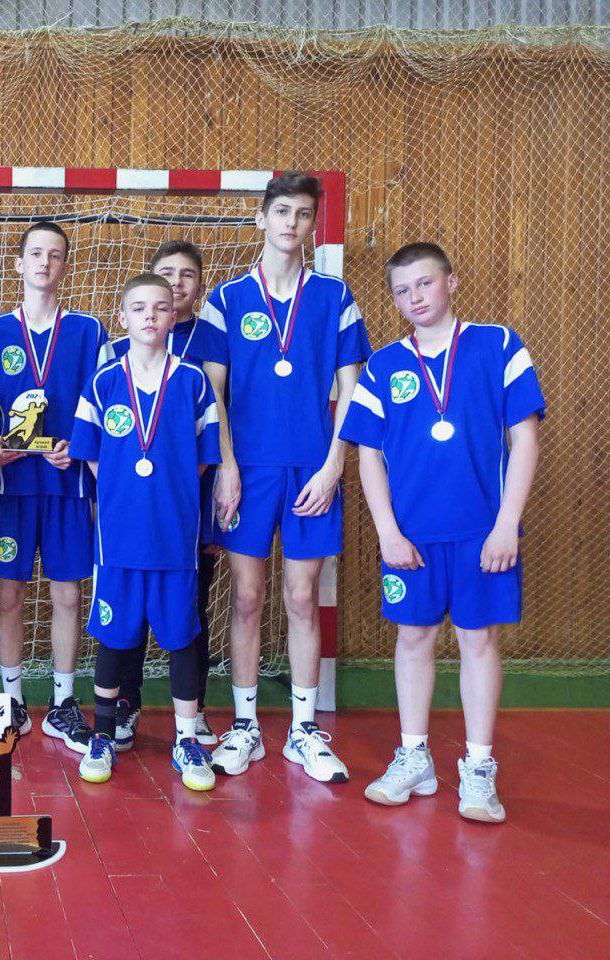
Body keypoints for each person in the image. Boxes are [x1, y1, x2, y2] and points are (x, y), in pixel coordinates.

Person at [341, 242, 543, 823]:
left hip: (483, 533)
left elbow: (525, 438)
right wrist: (387, 531)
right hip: (412, 537)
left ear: (451, 282)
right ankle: (414, 757)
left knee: (478, 641)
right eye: (402, 291)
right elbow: (368, 455)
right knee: (413, 638)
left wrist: (506, 525)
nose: (415, 298)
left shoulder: (497, 345)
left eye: (425, 284)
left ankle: (478, 768)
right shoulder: (383, 366)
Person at [192, 172, 371, 784]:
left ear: (312, 224)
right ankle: (245, 726)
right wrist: (227, 466)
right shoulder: (226, 298)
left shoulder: (334, 296)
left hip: (311, 468)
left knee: (301, 597)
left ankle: (302, 730)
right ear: (262, 218)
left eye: (303, 214)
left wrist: (334, 464)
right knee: (246, 597)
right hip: (249, 470)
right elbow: (213, 392)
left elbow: (351, 388)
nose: (292, 223)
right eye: (282, 212)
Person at [70, 274, 221, 791]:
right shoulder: (103, 382)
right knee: (114, 638)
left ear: (174, 317)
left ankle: (186, 740)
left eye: (160, 307)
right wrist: (122, 492)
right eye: (139, 308)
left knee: (181, 638)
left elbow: (203, 458)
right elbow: (90, 455)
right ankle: (102, 735)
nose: (151, 316)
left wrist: (168, 494)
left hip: (174, 540)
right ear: (123, 318)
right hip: (119, 540)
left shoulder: (193, 381)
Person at [0, 220, 111, 752]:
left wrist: (78, 444)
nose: (45, 263)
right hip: (12, 484)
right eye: (36, 253)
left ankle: (62, 702)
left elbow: (106, 400)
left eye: (55, 255)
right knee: (9, 592)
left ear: (66, 266)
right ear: (18, 263)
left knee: (68, 593)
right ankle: (11, 700)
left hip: (69, 484)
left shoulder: (89, 331)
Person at [108, 240, 229, 750]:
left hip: (185, 497)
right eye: (166, 272)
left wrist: (207, 479)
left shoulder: (210, 341)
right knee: (129, 609)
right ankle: (127, 702)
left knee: (189, 603)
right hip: (132, 504)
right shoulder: (115, 356)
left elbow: (217, 414)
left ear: (197, 286)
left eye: (186, 274)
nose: (176, 282)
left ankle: (191, 714)